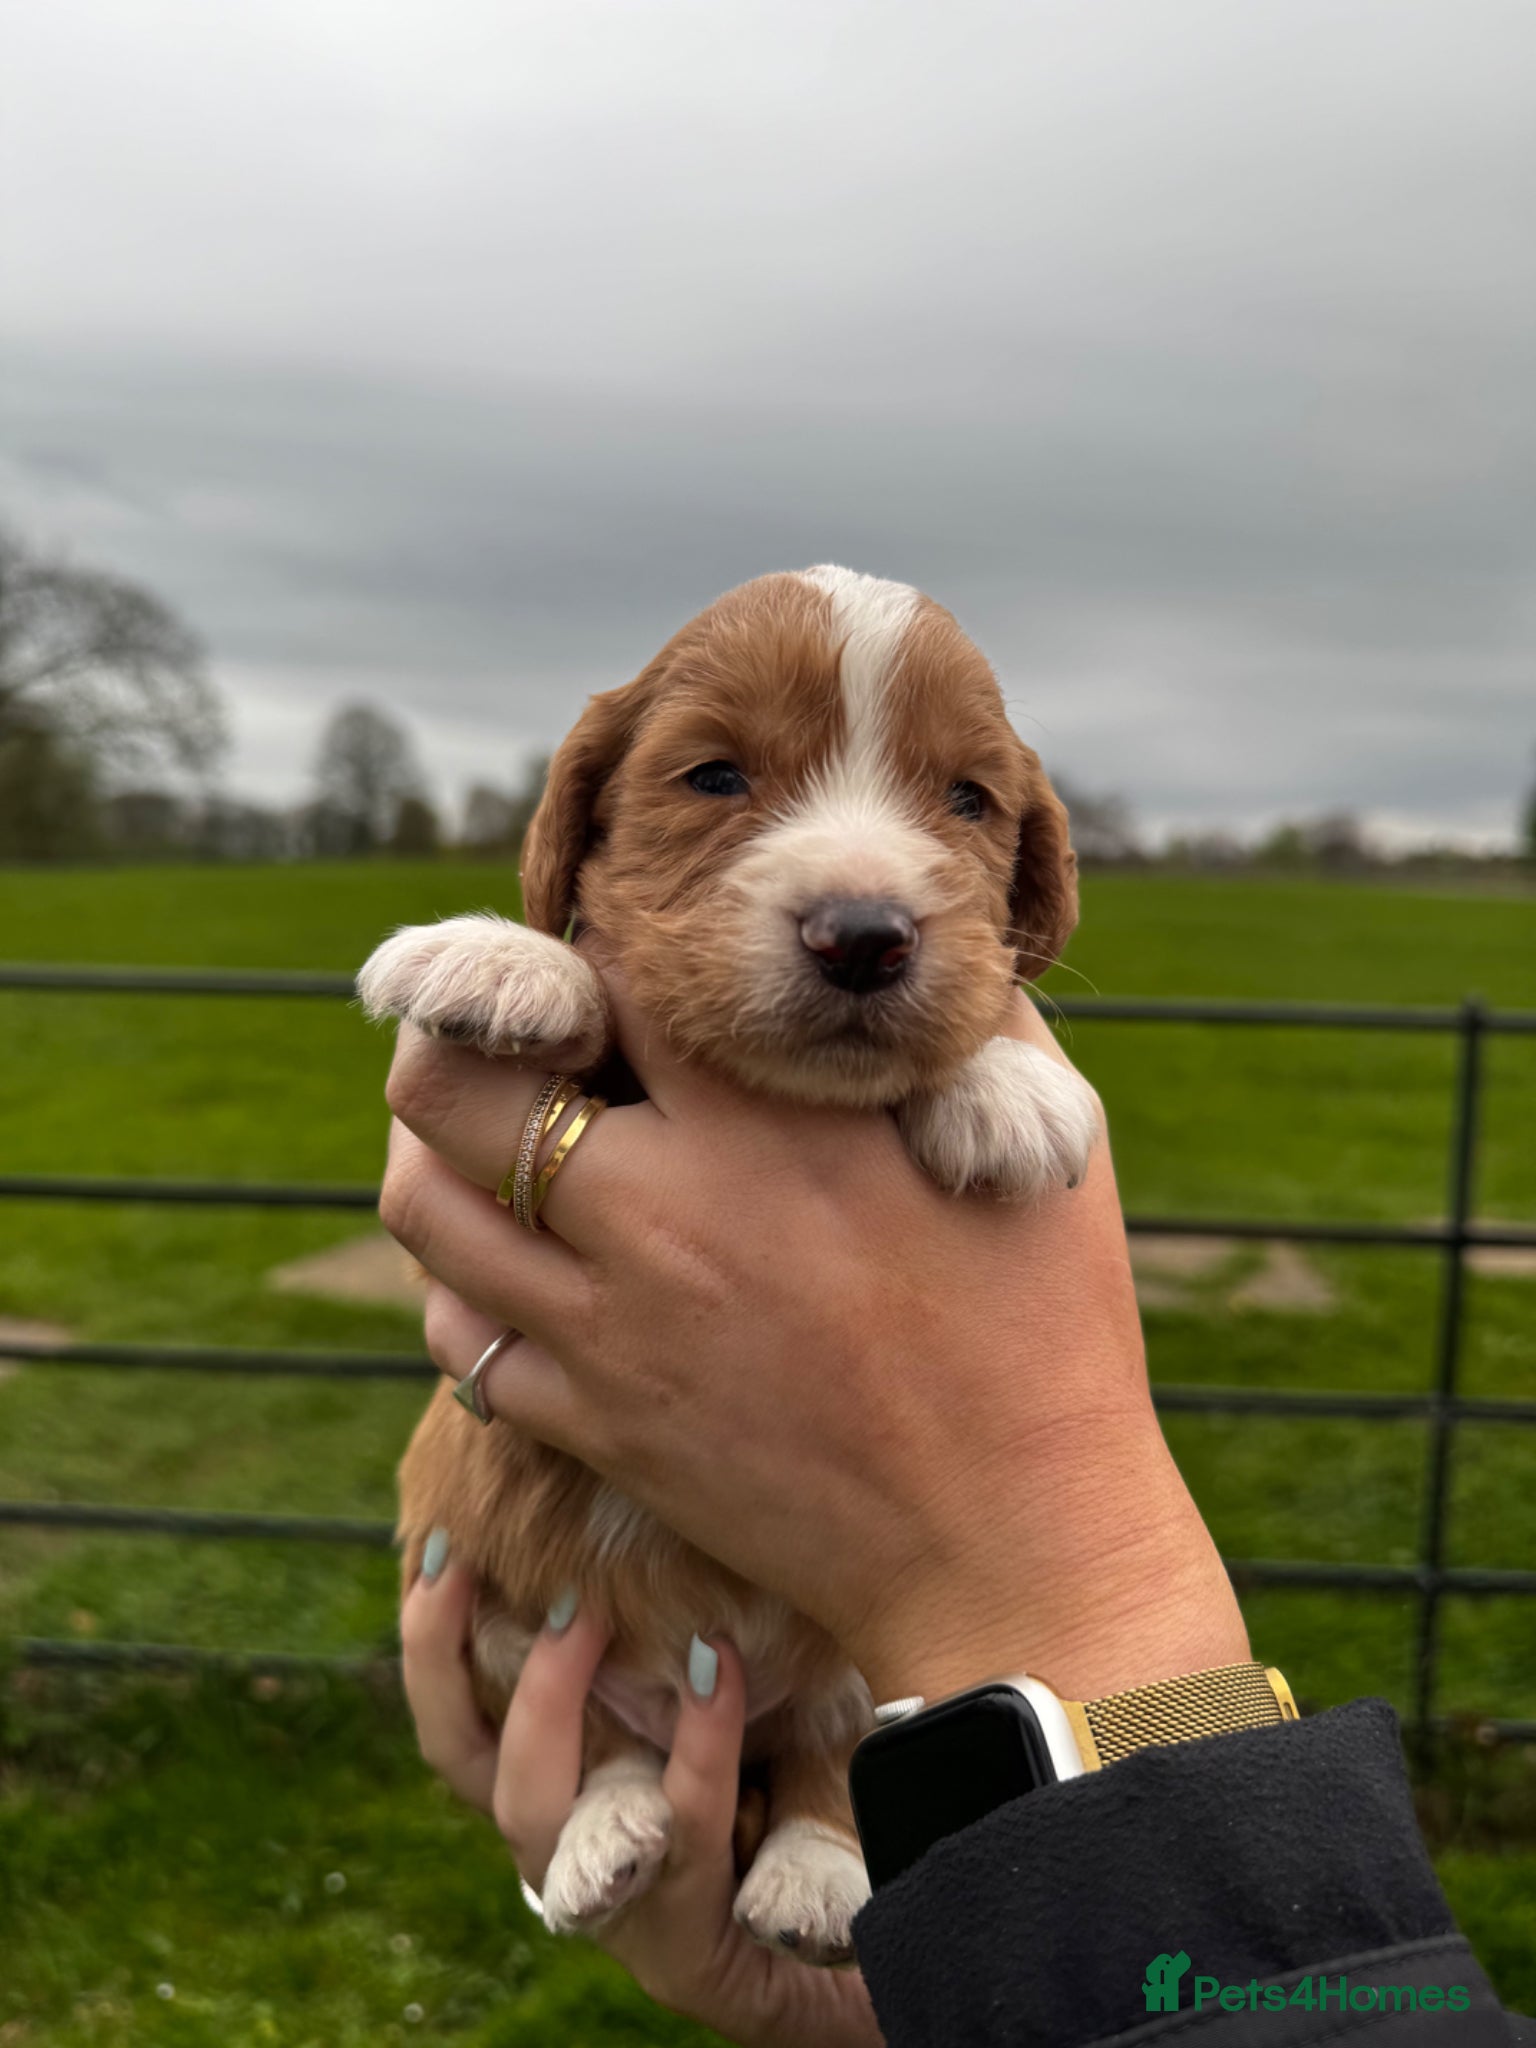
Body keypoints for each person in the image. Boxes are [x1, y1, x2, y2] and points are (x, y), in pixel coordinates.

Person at [380, 976, 1528, 2046]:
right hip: (623, 1633)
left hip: (821, 1697)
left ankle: (820, 1810)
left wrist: (1055, 1561)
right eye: (718, 784)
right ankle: (626, 1768)